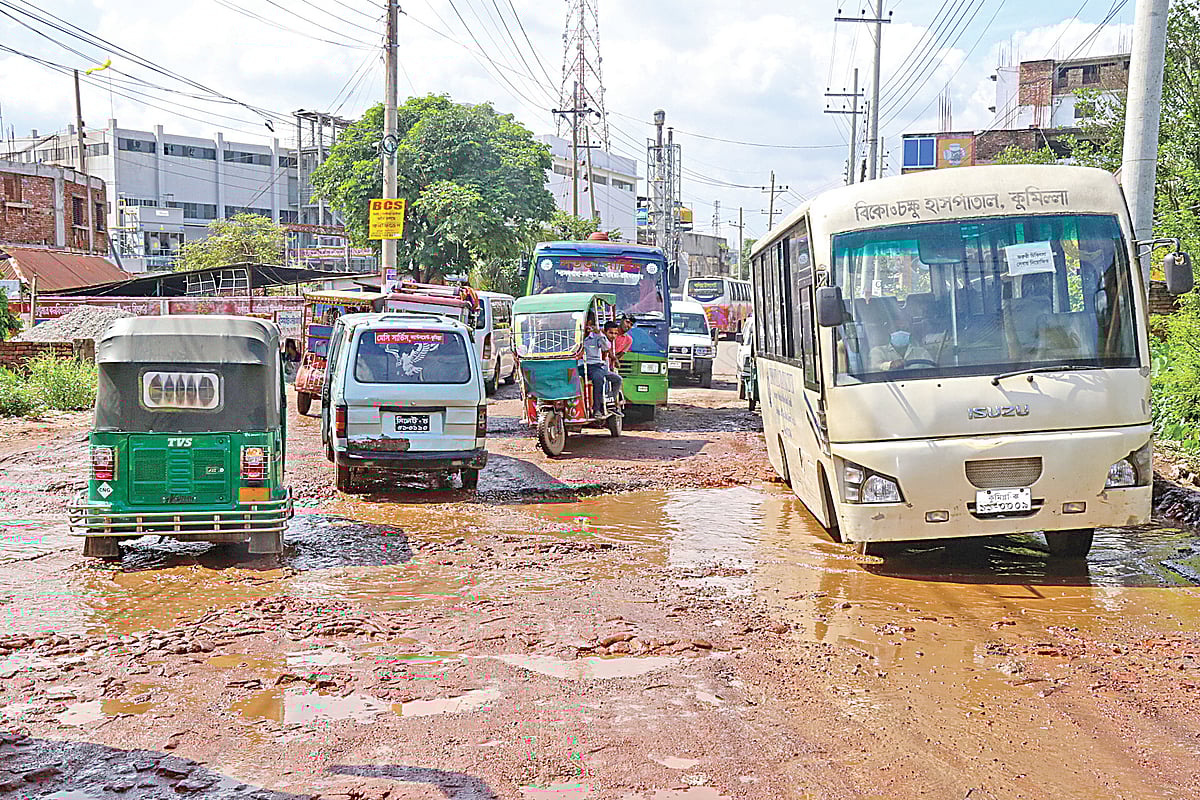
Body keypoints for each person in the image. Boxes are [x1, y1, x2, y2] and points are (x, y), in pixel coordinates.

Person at [583, 313, 622, 417]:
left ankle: (605, 405)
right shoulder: (575, 336)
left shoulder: (597, 337)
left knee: (614, 379)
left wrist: (599, 334)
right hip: (580, 365)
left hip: (595, 366)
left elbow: (605, 349)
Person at [868, 329, 935, 371]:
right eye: (897, 329)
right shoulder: (878, 351)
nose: (900, 333)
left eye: (904, 329)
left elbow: (932, 370)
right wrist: (890, 365)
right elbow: (873, 368)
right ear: (889, 332)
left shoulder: (921, 352)